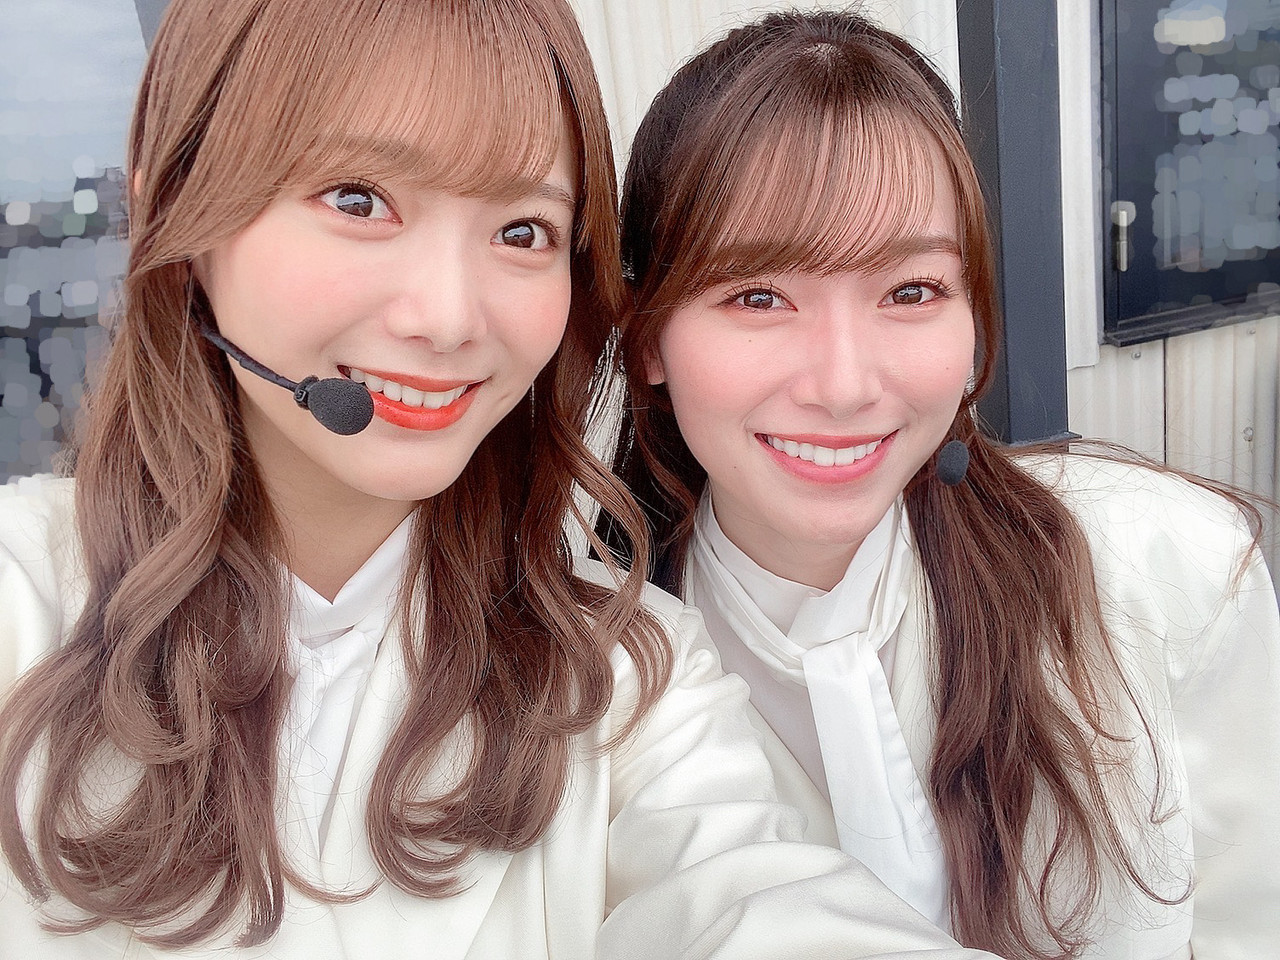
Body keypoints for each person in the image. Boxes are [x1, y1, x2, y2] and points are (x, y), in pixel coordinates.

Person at [0, 2, 1014, 958]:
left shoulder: (626, 673)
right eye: (358, 200)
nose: (448, 318)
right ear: (174, 212)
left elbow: (751, 899)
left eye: (522, 231)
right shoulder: (21, 602)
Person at [605, 10, 1280, 960]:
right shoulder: (590, 692)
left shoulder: (1169, 573)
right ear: (647, 340)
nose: (844, 384)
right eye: (759, 296)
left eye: (911, 291)